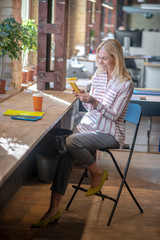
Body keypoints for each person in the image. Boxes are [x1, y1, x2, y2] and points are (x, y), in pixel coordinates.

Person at [31, 39, 134, 228]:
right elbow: (90, 110)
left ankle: (97, 173)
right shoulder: (99, 77)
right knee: (65, 154)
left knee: (71, 142)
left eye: (104, 59)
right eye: (99, 58)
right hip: (91, 127)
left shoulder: (125, 83)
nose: (101, 63)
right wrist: (85, 98)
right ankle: (53, 210)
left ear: (116, 58)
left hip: (111, 133)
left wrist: (94, 102)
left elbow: (115, 115)